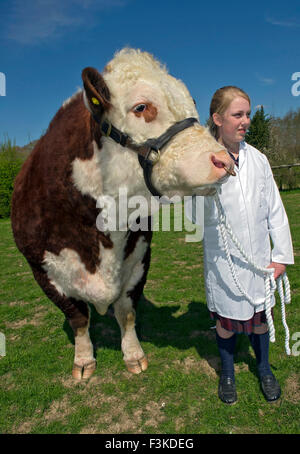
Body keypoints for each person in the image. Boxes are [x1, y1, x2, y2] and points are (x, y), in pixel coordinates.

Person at [189, 86, 294, 404]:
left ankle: (264, 368)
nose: (245, 121)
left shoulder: (259, 160)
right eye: (238, 114)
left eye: (247, 114)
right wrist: (211, 177)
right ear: (218, 119)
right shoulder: (203, 163)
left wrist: (281, 256)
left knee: (260, 322)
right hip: (224, 263)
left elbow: (275, 209)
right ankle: (229, 373)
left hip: (260, 261)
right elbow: (194, 219)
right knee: (226, 324)